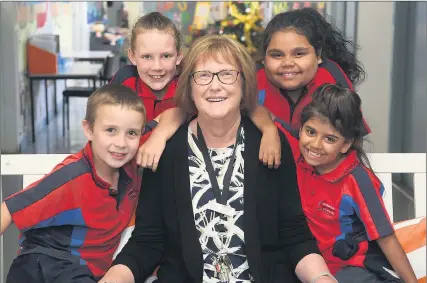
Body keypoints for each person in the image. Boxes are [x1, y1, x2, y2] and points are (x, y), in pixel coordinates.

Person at [99, 35, 337, 283]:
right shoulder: (166, 151)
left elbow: (294, 233)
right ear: (189, 87)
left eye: (226, 74)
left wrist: (322, 278)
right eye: (203, 75)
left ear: (244, 83)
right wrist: (113, 278)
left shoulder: (271, 146)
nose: (215, 86)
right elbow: (147, 241)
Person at [1, 84, 146, 283]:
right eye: (111, 130)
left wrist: (161, 134)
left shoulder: (131, 169)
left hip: (82, 271)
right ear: (89, 130)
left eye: (132, 133)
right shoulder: (71, 176)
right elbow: (8, 210)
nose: (121, 142)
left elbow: (171, 116)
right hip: (46, 265)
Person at [275, 84, 417, 283]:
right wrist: (266, 130)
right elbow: (264, 116)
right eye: (310, 131)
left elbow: (385, 236)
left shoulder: (357, 179)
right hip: (311, 265)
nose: (315, 144)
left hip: (356, 268)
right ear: (301, 130)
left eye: (330, 139)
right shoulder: (299, 155)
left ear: (346, 144)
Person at [111, 12, 281, 171]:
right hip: (127, 166)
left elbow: (250, 108)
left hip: (177, 167)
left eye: (166, 56)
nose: (157, 67)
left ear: (179, 56)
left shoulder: (190, 80)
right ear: (132, 56)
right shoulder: (124, 80)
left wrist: (269, 130)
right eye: (147, 57)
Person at [257, 7, 371, 133]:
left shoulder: (331, 77)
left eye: (299, 54)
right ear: (264, 59)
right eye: (277, 55)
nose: (287, 63)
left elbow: (353, 137)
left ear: (318, 55)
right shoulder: (254, 81)